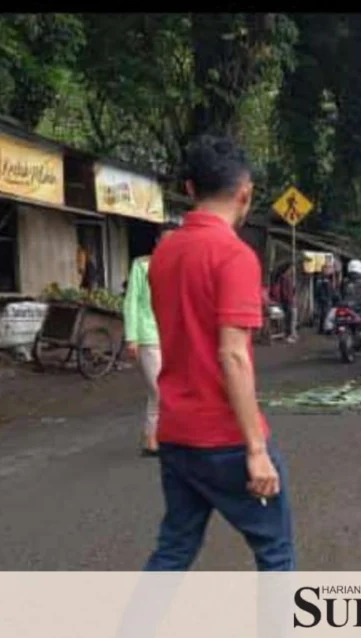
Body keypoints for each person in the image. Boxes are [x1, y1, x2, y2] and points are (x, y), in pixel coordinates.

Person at [144, 135, 293, 570]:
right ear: (245, 193)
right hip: (225, 439)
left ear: (189, 190)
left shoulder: (164, 252)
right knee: (275, 552)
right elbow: (233, 356)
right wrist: (255, 450)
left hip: (176, 434)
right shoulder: (235, 256)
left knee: (173, 549)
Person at [124, 226, 175, 458]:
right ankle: (155, 438)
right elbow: (132, 302)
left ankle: (153, 438)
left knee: (163, 390)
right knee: (159, 389)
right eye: (164, 241)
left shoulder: (180, 266)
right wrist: (131, 337)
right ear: (156, 242)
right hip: (148, 335)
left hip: (172, 335)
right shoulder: (142, 265)